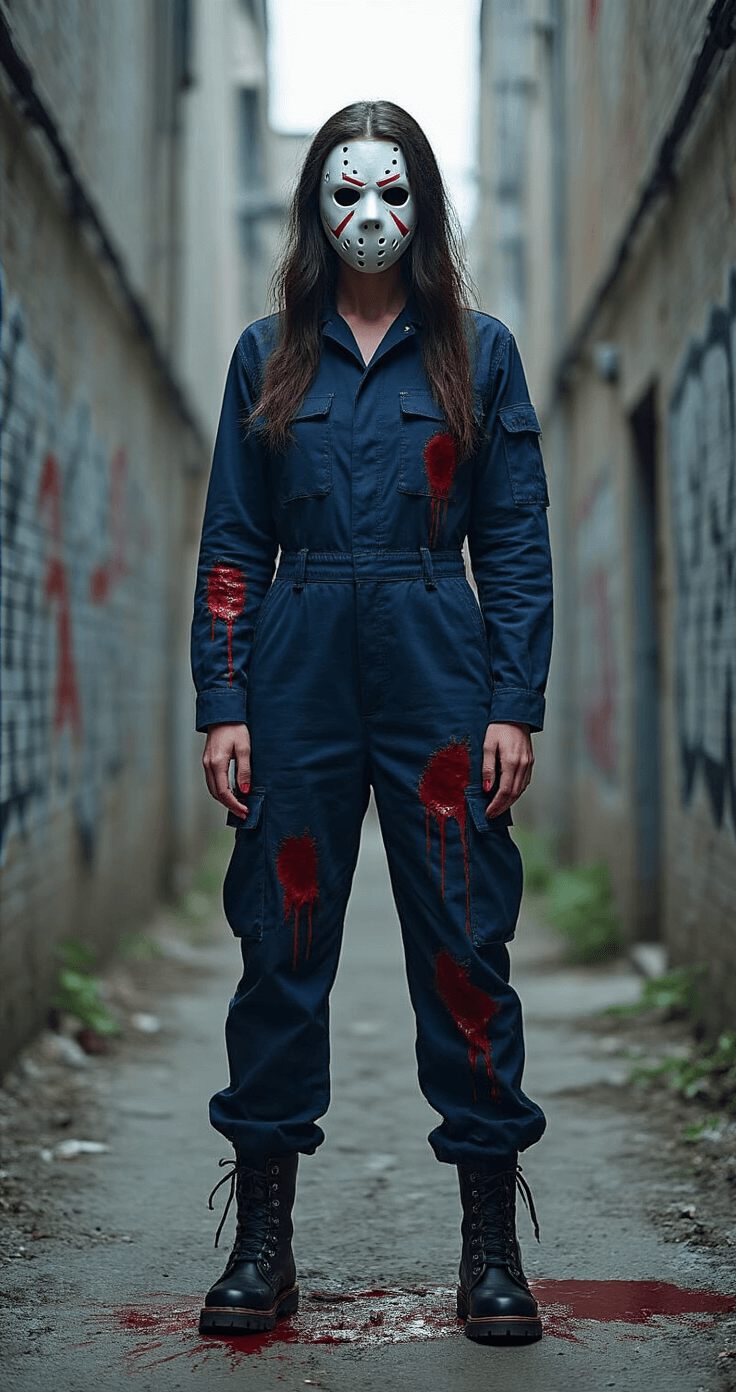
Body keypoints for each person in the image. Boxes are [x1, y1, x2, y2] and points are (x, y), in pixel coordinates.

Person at [191, 100, 553, 1345]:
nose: (370, 218)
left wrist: (514, 703)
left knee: (463, 949)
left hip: (434, 667)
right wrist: (223, 702)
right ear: (313, 207)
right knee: (281, 951)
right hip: (297, 667)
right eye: (346, 194)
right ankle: (263, 1248)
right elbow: (235, 543)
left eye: (393, 194)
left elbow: (511, 543)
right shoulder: (265, 356)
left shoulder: (477, 354)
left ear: (425, 208)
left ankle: (491, 1255)